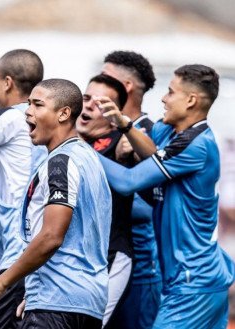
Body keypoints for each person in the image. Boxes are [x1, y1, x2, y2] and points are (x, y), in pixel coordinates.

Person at [98, 64, 235, 328]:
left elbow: (129, 182)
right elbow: (151, 152)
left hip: (192, 283)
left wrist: (74, 144)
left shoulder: (196, 144)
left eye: (171, 92)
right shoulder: (169, 130)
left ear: (191, 100)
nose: (163, 98)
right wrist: (125, 125)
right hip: (194, 278)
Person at [0, 78, 112, 329]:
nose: (27, 112)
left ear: (64, 113)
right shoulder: (86, 156)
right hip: (80, 302)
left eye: (37, 105)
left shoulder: (62, 161)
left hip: (59, 302)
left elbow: (51, 236)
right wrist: (33, 295)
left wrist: (2, 282)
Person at [0, 49, 47, 328]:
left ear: (6, 82)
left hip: (11, 255)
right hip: (32, 253)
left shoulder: (6, 118)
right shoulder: (33, 120)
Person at [101, 50, 161, 329]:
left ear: (123, 87)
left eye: (105, 78)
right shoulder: (101, 132)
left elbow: (151, 204)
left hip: (140, 268)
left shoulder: (150, 134)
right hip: (103, 262)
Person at [76, 73, 136, 326]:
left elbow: (146, 164)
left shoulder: (122, 145)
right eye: (86, 98)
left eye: (99, 103)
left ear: (114, 117)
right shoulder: (55, 141)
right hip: (73, 259)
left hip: (111, 257)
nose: (88, 105)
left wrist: (127, 130)